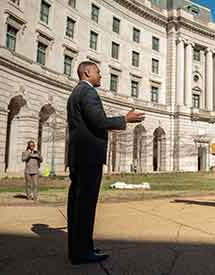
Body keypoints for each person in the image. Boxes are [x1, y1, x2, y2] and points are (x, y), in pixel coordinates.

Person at [66, 61, 145, 264]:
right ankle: (83, 252)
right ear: (87, 72)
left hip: (79, 156)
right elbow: (98, 121)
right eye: (98, 72)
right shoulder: (88, 93)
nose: (101, 76)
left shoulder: (75, 93)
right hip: (89, 157)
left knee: (77, 203)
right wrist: (125, 119)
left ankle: (80, 248)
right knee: (85, 205)